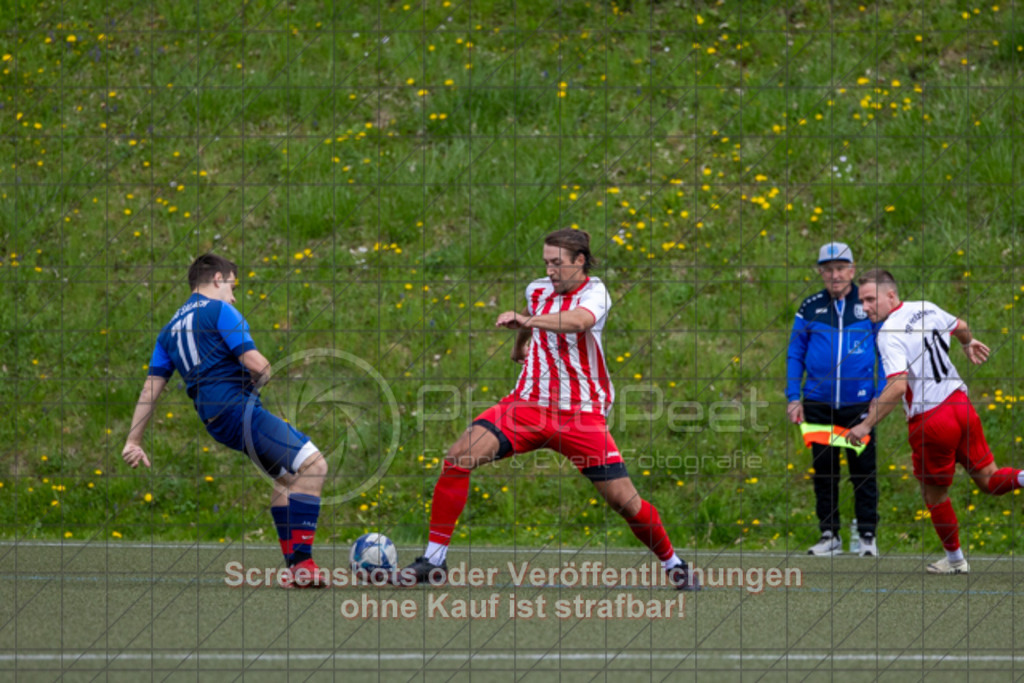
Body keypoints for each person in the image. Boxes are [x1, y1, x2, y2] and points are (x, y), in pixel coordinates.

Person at [401, 228, 700, 590]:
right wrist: (519, 345)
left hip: (580, 415)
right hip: (526, 405)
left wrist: (527, 322)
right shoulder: (538, 289)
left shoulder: (595, 292)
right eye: (546, 262)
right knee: (458, 457)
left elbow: (579, 322)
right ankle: (433, 561)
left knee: (625, 502)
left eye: (557, 263)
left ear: (580, 261)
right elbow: (532, 312)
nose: (551, 270)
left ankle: (674, 564)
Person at [121, 254, 329, 587]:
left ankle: (296, 568)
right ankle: (302, 566)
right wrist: (261, 380)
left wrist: (133, 440)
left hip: (217, 422)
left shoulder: (168, 331)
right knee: (315, 466)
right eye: (232, 285)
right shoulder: (220, 311)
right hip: (238, 411)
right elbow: (257, 364)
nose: (234, 295)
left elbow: (150, 389)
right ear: (217, 278)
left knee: (287, 479)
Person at [849, 269, 1024, 574]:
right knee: (988, 479)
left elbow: (898, 386)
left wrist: (865, 425)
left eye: (869, 299)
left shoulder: (889, 334)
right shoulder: (925, 307)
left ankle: (955, 561)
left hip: (933, 420)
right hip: (961, 405)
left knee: (934, 495)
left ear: (891, 295)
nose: (865, 307)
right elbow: (961, 326)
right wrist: (967, 343)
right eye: (861, 301)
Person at [786, 242, 886, 557]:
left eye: (841, 268)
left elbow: (886, 350)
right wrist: (793, 397)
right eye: (828, 269)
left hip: (859, 406)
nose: (835, 275)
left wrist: (880, 397)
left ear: (852, 271)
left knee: (863, 472)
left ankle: (867, 535)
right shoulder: (810, 307)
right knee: (825, 471)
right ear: (820, 273)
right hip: (818, 404)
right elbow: (795, 353)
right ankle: (830, 535)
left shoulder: (867, 303)